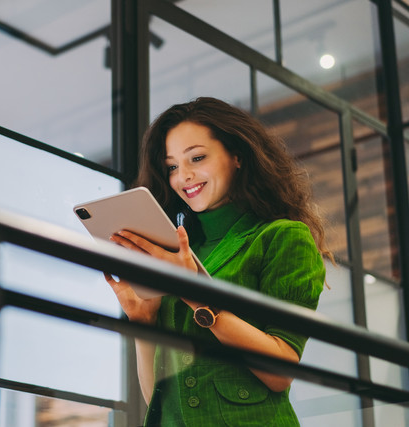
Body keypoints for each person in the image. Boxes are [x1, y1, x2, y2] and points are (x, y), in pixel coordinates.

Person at [105, 97, 331, 426]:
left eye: (196, 157)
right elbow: (160, 398)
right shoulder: (177, 251)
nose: (184, 176)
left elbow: (281, 372)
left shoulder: (282, 237)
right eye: (172, 167)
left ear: (237, 156)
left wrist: (196, 293)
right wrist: (143, 323)